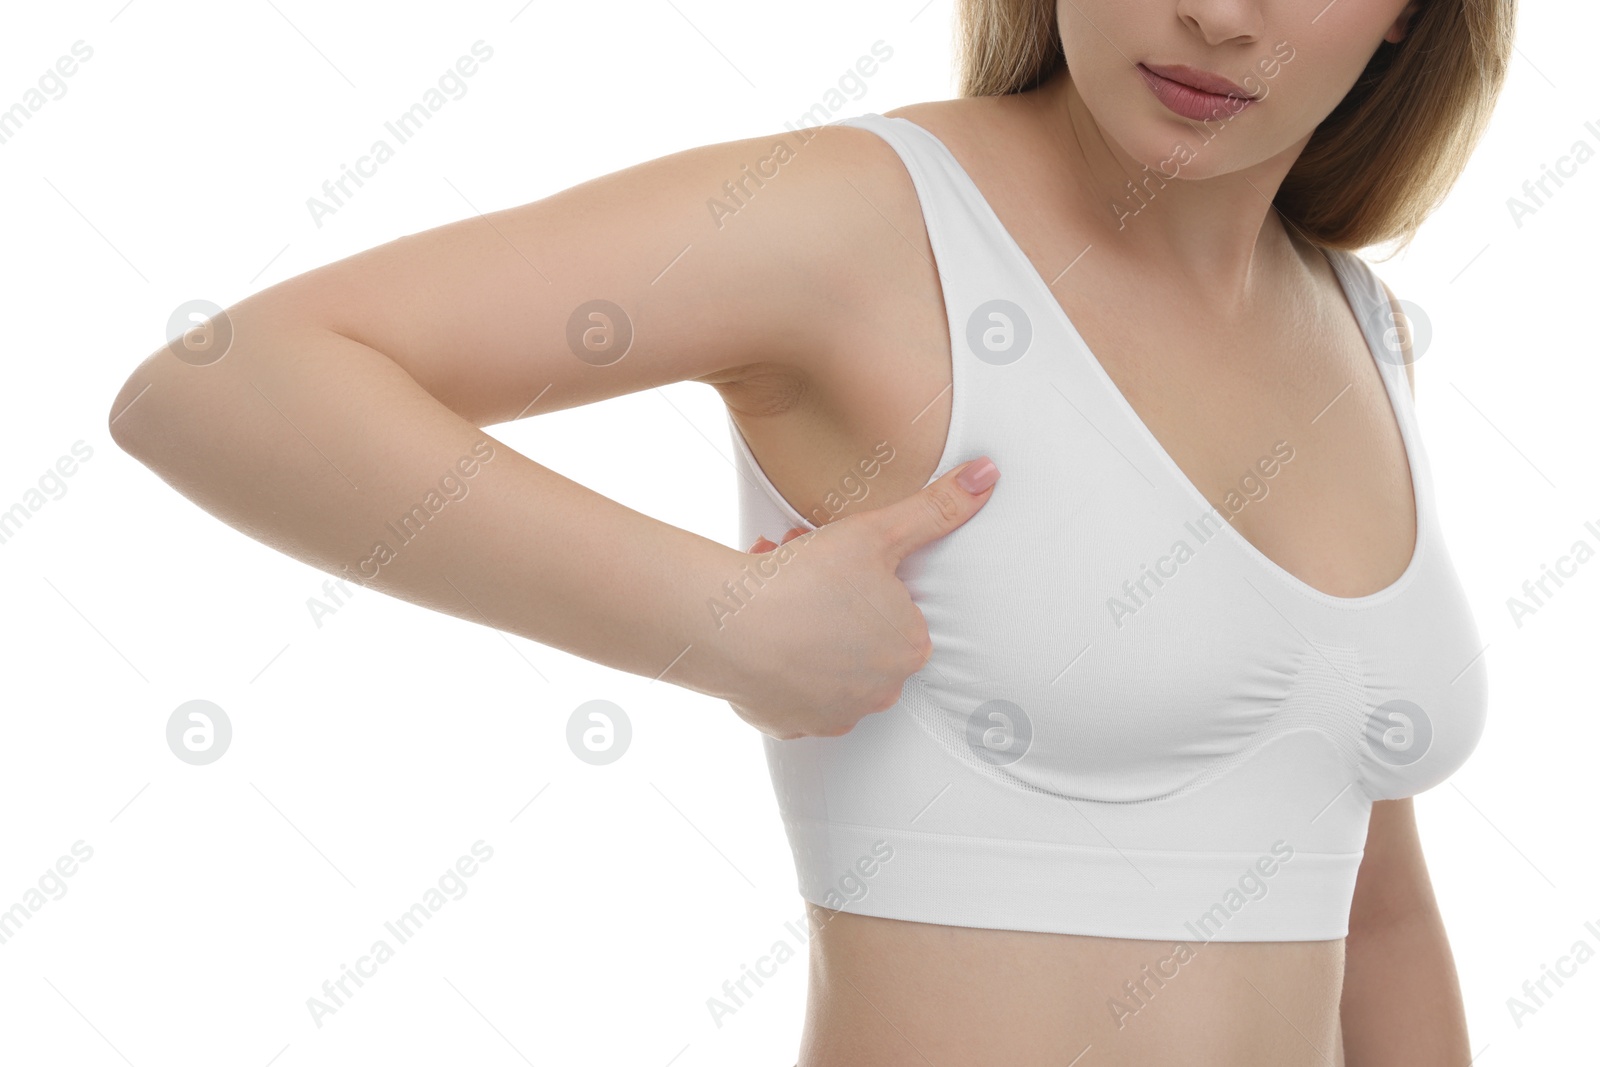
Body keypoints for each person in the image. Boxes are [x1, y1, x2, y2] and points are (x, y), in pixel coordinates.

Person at [108, 0, 1515, 1062]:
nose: (1223, 12)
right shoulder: (873, 225)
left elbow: (1372, 911)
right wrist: (724, 624)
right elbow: (222, 386)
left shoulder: (1356, 320)